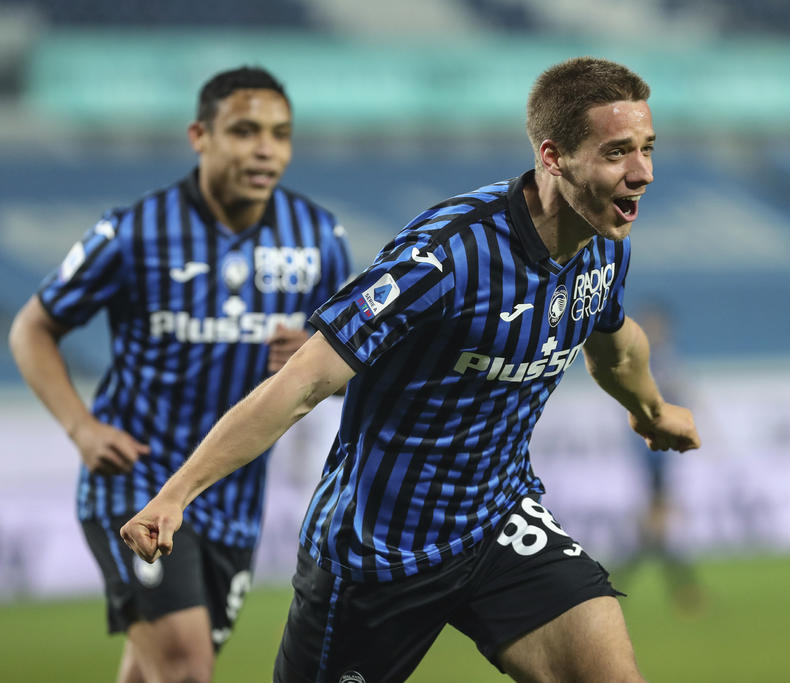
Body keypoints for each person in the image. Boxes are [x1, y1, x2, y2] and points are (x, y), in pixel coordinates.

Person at [121, 56, 701, 682]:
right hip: (377, 549)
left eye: (646, 148)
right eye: (617, 153)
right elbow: (302, 383)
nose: (642, 173)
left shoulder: (603, 247)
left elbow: (616, 346)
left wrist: (652, 410)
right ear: (554, 157)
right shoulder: (448, 256)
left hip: (498, 519)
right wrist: (176, 495)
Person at [8, 66, 352, 683]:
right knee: (187, 670)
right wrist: (83, 431)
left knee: (155, 673)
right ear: (200, 135)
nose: (266, 148)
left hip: (232, 497)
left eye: (280, 133)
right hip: (136, 482)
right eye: (245, 131)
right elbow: (32, 329)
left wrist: (315, 352)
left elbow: (351, 361)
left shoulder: (319, 238)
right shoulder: (133, 232)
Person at [614, 306, 702, 611]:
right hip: (651, 453)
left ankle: (613, 586)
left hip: (660, 454)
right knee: (655, 529)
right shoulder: (647, 359)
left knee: (654, 530)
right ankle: (684, 589)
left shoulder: (662, 357)